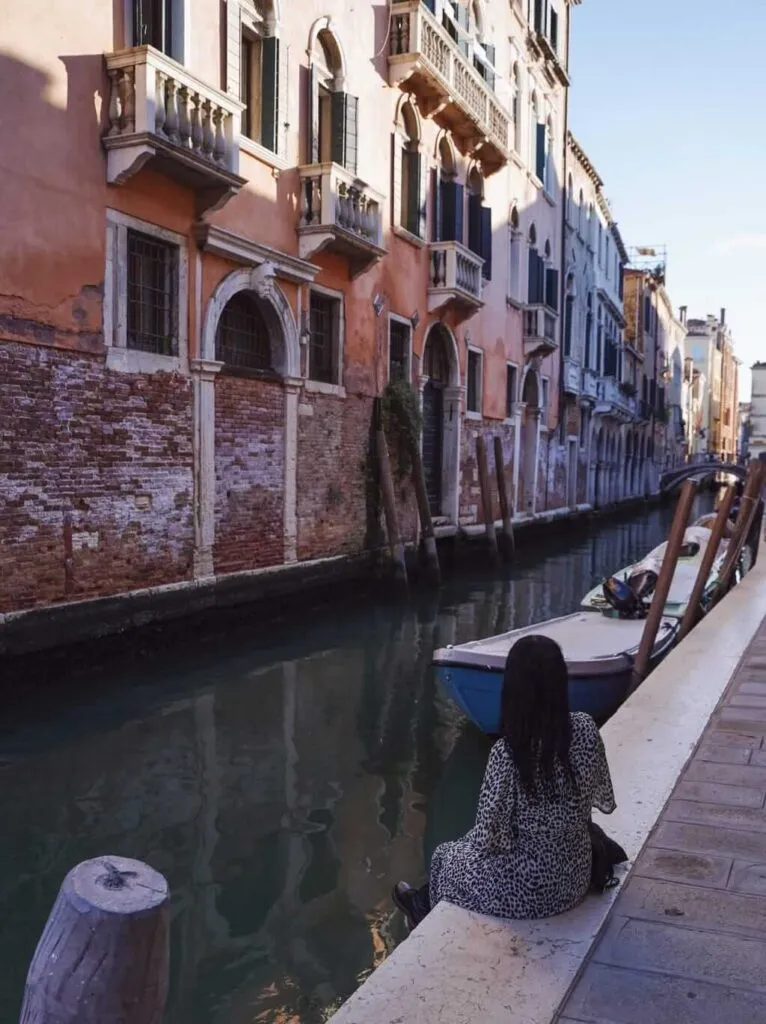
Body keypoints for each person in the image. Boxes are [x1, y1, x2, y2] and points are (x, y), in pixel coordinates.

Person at [393, 634, 616, 930]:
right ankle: (422, 902)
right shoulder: (586, 728)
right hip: (575, 874)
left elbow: (488, 839)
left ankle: (420, 907)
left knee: (444, 856)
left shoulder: (509, 752)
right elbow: (604, 800)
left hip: (529, 892)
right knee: (458, 851)